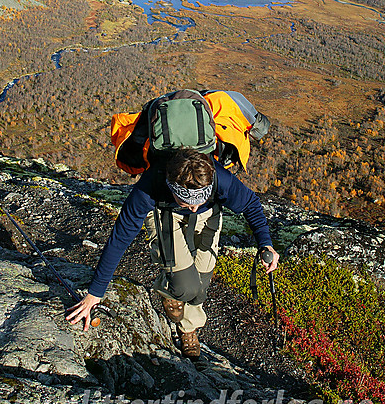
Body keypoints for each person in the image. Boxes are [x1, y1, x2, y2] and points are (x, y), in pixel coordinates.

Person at [67, 147, 279, 359]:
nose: (193, 208)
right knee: (186, 287)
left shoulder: (218, 178)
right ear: (172, 188)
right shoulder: (150, 187)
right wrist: (94, 294)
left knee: (202, 283)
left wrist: (266, 244)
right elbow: (120, 237)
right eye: (187, 202)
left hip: (209, 215)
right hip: (165, 213)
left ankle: (189, 326)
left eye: (199, 201)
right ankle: (171, 294)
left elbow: (251, 204)